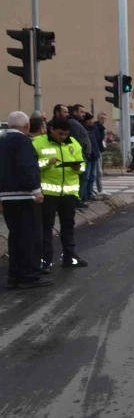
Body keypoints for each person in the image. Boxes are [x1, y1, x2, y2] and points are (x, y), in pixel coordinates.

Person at [0, 112, 52, 289]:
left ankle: (15, 276)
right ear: (27, 126)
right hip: (25, 196)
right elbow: (27, 166)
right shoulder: (24, 141)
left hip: (7, 196)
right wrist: (36, 189)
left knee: (15, 237)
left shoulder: (2, 141)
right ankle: (30, 275)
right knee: (30, 237)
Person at [33, 117, 89, 270]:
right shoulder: (38, 143)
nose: (63, 137)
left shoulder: (73, 143)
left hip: (68, 193)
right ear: (51, 129)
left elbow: (82, 165)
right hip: (48, 193)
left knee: (68, 226)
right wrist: (46, 163)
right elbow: (31, 167)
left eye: (66, 134)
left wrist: (78, 168)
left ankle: (69, 257)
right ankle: (46, 261)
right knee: (46, 227)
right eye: (60, 134)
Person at [82, 113, 101, 201]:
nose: (92, 122)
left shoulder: (93, 129)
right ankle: (85, 194)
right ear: (86, 121)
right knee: (87, 176)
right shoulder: (84, 130)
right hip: (89, 156)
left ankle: (90, 193)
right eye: (90, 120)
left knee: (92, 176)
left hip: (94, 155)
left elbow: (96, 141)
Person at [94, 112, 109, 196]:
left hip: (99, 150)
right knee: (97, 171)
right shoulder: (97, 127)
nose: (103, 120)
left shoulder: (102, 128)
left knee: (97, 171)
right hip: (97, 151)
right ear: (98, 118)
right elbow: (98, 140)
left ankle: (99, 189)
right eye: (102, 118)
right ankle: (99, 189)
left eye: (105, 118)